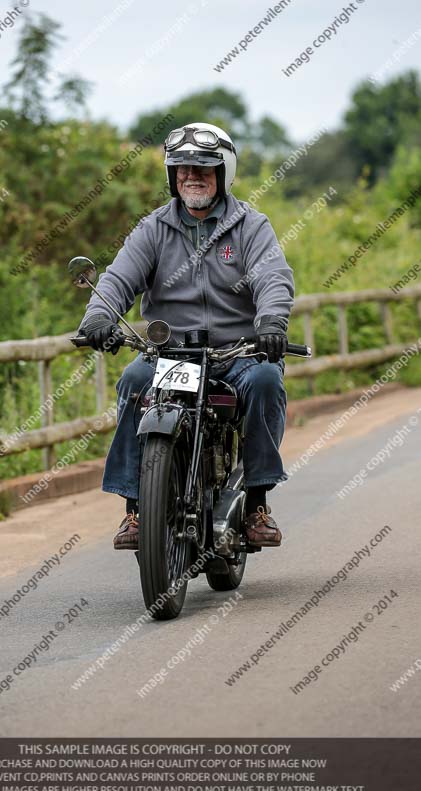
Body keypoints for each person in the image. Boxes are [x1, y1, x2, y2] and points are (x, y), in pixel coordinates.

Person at [78, 122, 294, 550]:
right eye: (182, 169)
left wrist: (271, 324)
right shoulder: (153, 228)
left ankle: (255, 502)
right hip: (172, 353)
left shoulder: (250, 226)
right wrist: (98, 318)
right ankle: (136, 511)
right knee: (133, 382)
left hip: (239, 352)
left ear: (224, 173)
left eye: (203, 168)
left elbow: (274, 278)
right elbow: (119, 278)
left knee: (267, 382)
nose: (191, 176)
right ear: (171, 176)